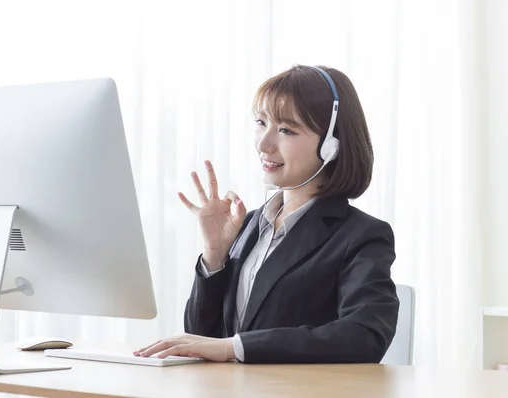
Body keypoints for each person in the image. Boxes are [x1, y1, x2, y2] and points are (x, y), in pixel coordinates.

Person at [134, 65, 399, 364]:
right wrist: (215, 255)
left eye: (286, 130)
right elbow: (201, 338)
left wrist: (235, 347)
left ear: (330, 146)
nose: (263, 143)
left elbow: (365, 336)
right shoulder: (247, 226)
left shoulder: (361, 236)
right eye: (261, 123)